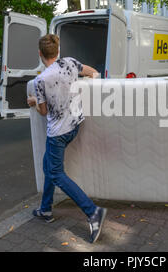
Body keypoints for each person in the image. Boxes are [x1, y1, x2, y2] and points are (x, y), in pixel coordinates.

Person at [27, 34, 107, 243]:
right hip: (75, 125)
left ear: (40, 54)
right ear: (57, 51)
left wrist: (33, 102)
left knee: (56, 173)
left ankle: (93, 212)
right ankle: (45, 209)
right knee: (49, 166)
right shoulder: (70, 63)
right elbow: (92, 73)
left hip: (58, 133)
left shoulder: (40, 80)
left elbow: (43, 112)